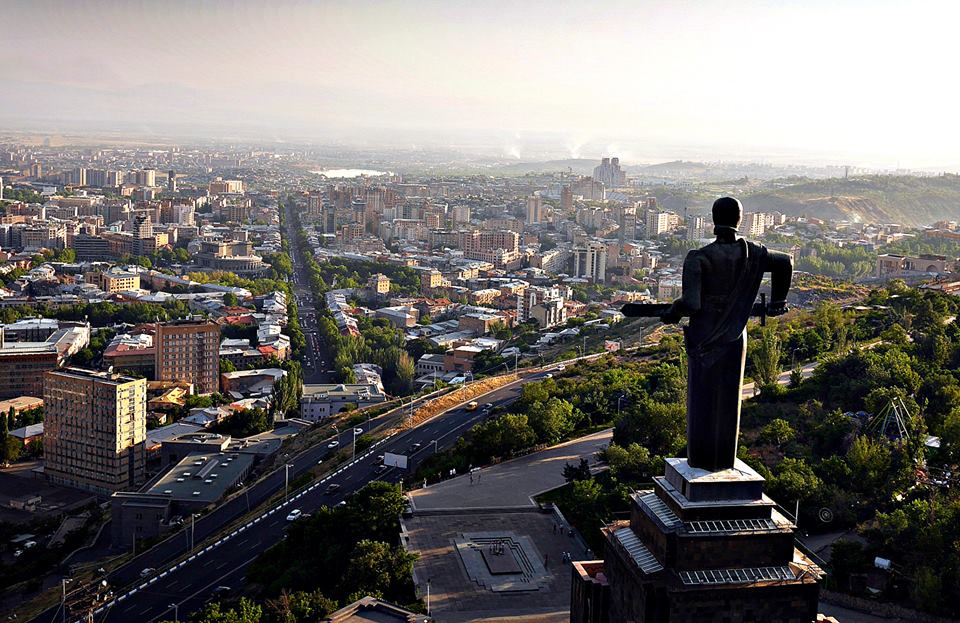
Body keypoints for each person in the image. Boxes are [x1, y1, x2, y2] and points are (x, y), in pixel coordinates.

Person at [662, 197, 792, 471]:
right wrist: (778, 302)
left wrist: (673, 310)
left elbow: (691, 304)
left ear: (713, 219)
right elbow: (785, 262)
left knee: (702, 398)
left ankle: (700, 461)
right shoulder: (753, 253)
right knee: (730, 397)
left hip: (704, 336)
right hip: (735, 335)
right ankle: (724, 461)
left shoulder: (699, 257)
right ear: (739, 220)